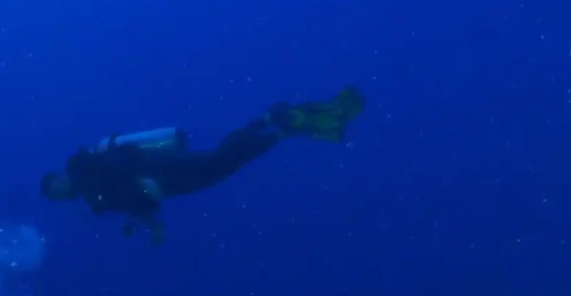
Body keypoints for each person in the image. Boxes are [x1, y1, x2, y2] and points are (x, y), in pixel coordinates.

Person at [39, 87, 365, 243]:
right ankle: (274, 126)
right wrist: (153, 224)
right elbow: (130, 205)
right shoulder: (94, 204)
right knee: (221, 167)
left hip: (157, 168)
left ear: (59, 176)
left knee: (217, 160)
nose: (60, 190)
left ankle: (273, 124)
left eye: (55, 184)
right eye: (55, 194)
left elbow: (118, 166)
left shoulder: (80, 165)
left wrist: (140, 180)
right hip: (165, 187)